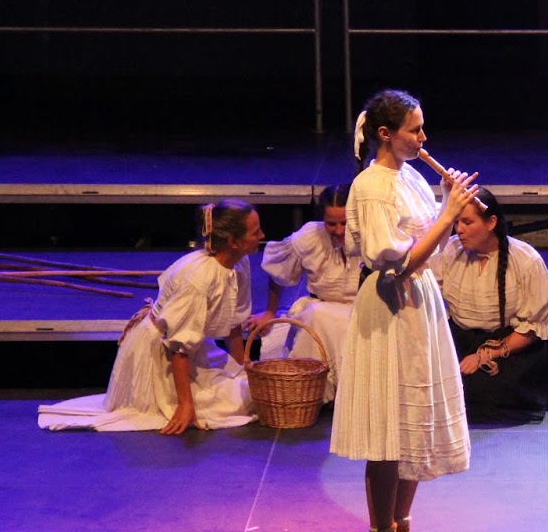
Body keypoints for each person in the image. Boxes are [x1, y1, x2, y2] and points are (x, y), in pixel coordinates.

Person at [329, 89, 480, 532]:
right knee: (389, 432)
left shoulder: (410, 176)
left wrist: (448, 207)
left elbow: (430, 244)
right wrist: (448, 214)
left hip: (418, 303)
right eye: (414, 130)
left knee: (414, 422)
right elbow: (395, 262)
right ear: (385, 134)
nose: (423, 138)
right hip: (391, 305)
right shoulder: (372, 187)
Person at [37, 199, 264, 434]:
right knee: (232, 404)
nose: (262, 235)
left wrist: (243, 368)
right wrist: (186, 405)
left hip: (191, 350)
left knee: (247, 389)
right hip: (162, 353)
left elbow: (233, 322)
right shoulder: (198, 279)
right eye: (255, 232)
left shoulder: (239, 263)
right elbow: (178, 347)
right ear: (233, 241)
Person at [428, 188, 548, 423]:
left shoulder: (526, 261)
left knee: (488, 393)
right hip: (461, 340)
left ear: (491, 223)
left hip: (508, 345)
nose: (459, 229)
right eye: (457, 222)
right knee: (439, 389)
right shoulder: (451, 251)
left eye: (467, 222)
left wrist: (484, 356)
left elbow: (532, 329)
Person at [251, 184, 360, 403]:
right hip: (322, 308)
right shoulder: (310, 236)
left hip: (361, 310)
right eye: (331, 224)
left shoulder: (369, 235)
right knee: (317, 316)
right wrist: (270, 312)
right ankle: (310, 394)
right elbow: (280, 272)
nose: (339, 231)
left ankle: (353, 397)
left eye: (345, 223)